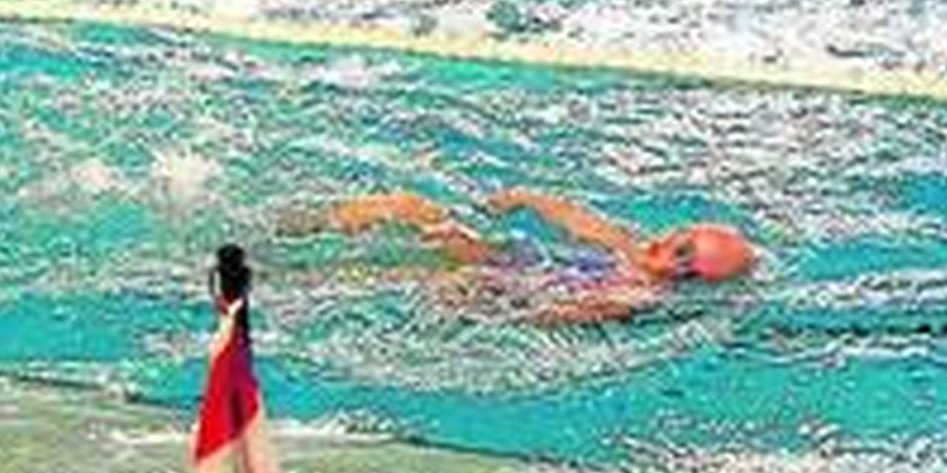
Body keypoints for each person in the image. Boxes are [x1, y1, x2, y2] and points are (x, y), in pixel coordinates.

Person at [279, 189, 759, 326]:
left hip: (497, 281)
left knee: (386, 273)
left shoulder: (630, 294)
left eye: (680, 248)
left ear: (684, 274)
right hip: (504, 257)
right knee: (408, 207)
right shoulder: (636, 252)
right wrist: (527, 199)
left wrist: (475, 303)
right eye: (681, 233)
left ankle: (285, 278)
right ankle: (292, 227)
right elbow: (580, 221)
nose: (665, 239)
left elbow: (551, 314)